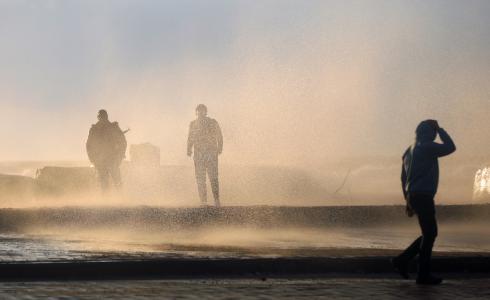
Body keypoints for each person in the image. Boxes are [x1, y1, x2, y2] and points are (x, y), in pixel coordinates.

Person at [393, 120, 456, 285]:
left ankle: (403, 260)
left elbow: (403, 179)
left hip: (413, 195)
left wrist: (406, 198)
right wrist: (441, 129)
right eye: (434, 131)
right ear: (431, 132)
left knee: (429, 233)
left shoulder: (409, 151)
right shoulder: (428, 147)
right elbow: (451, 147)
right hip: (423, 195)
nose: (435, 135)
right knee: (430, 233)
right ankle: (421, 274)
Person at [187, 104, 223, 207]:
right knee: (200, 178)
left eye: (202, 111)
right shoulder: (193, 124)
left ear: (206, 112)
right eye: (198, 111)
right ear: (196, 112)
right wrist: (189, 149)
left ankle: (216, 200)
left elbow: (219, 135)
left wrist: (220, 147)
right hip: (198, 154)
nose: (200, 113)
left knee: (213, 177)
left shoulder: (212, 122)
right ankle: (203, 201)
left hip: (211, 153)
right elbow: (190, 137)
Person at [86, 109, 127, 191]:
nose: (103, 119)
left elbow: (123, 143)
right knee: (106, 182)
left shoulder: (112, 127)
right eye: (102, 117)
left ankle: (119, 200)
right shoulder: (95, 129)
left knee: (115, 181)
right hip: (102, 159)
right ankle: (107, 201)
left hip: (112, 158)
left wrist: (120, 155)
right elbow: (89, 145)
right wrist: (92, 158)